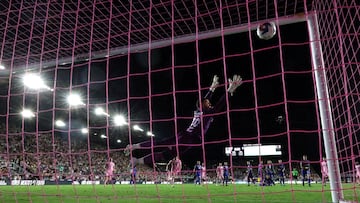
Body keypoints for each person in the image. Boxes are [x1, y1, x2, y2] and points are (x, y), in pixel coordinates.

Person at [125, 75, 243, 166]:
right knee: (163, 151)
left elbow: (206, 99)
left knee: (162, 147)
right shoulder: (207, 112)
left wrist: (212, 87)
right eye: (208, 103)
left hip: (185, 135)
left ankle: (135, 150)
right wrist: (229, 90)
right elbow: (219, 104)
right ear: (204, 106)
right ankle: (136, 153)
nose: (210, 103)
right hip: (190, 138)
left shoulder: (199, 110)